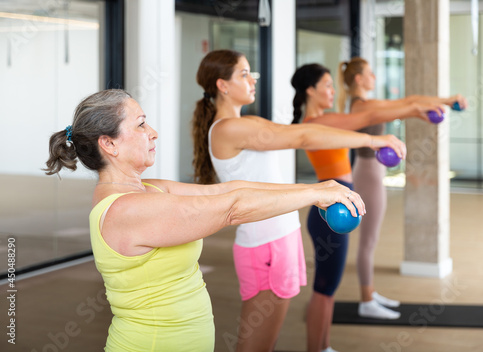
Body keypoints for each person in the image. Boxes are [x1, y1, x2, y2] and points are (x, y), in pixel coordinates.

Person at [44, 89, 367, 352]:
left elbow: (230, 189)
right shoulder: (125, 211)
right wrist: (313, 195)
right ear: (109, 143)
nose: (152, 133)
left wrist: (317, 188)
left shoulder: (152, 188)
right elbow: (231, 209)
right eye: (141, 124)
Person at [191, 50, 406, 352]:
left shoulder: (240, 124)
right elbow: (302, 137)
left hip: (278, 240)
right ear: (222, 86)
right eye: (243, 74)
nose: (252, 79)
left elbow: (303, 137)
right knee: (255, 347)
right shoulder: (229, 128)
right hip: (265, 246)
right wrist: (370, 140)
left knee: (267, 342)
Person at [291, 62, 445, 352]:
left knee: (329, 288)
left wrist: (415, 109)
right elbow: (369, 116)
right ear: (310, 90)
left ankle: (324, 346)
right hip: (329, 210)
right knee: (323, 289)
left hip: (338, 202)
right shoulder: (314, 124)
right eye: (326, 85)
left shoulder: (327, 118)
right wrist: (411, 112)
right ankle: (317, 348)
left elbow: (365, 120)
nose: (332, 90)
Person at [336, 56, 468, 321]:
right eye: (370, 73)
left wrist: (444, 100)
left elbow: (409, 100)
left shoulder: (362, 103)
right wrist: (443, 100)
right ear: (359, 79)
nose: (374, 77)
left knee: (370, 241)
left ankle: (370, 293)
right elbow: (407, 104)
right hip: (368, 173)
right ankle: (366, 301)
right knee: (368, 241)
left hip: (371, 171)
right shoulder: (363, 105)